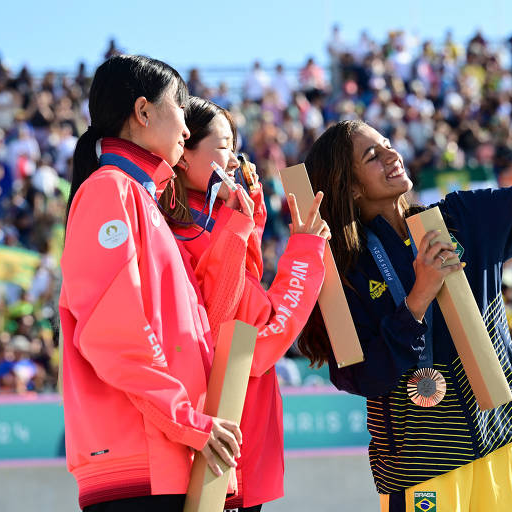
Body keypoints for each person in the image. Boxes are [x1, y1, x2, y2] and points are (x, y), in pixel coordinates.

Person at [299, 38, 512, 511]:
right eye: (372, 156)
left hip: (498, 435)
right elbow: (357, 376)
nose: (392, 155)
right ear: (348, 186)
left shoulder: (465, 218)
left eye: (388, 145)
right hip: (419, 460)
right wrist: (417, 298)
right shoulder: (342, 271)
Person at [59, 55, 241, 512]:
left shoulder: (141, 198)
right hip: (139, 465)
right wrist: (186, 422)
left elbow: (209, 329)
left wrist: (239, 225)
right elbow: (110, 331)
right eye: (178, 107)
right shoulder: (110, 189)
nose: (186, 128)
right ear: (143, 112)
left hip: (168, 455)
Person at [157, 97, 329, 511]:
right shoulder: (183, 235)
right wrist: (304, 253)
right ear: (184, 156)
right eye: (222, 146)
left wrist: (246, 224)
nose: (233, 160)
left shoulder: (211, 223)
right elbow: (247, 338)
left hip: (234, 425)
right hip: (224, 426)